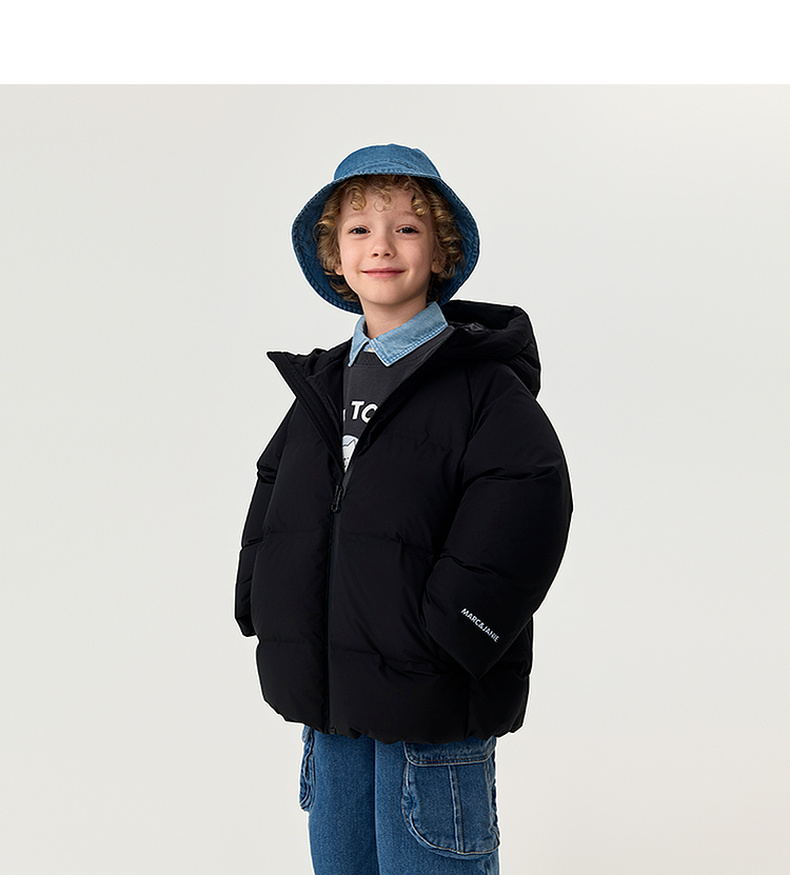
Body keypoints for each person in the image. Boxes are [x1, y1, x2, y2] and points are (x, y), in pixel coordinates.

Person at [234, 144, 572, 875]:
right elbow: (276, 490)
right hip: (333, 705)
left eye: (407, 228)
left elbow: (529, 499)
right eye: (359, 229)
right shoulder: (324, 386)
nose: (381, 245)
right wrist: (259, 601)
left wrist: (458, 628)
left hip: (431, 710)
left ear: (442, 251)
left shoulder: (482, 386)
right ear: (334, 256)